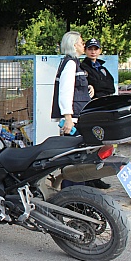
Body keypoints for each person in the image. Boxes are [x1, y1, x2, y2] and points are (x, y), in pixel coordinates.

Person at [51, 31, 96, 189]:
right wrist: (68, 118)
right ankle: (72, 192)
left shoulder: (73, 63)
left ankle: (74, 190)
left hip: (77, 116)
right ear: (74, 45)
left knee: (77, 158)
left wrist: (87, 88)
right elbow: (65, 91)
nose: (84, 45)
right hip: (74, 119)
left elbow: (76, 87)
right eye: (82, 43)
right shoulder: (70, 64)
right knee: (75, 159)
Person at [79, 38, 116, 189]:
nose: (93, 52)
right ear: (85, 50)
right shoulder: (82, 67)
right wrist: (97, 89)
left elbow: (110, 87)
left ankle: (96, 176)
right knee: (92, 144)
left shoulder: (102, 68)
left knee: (102, 144)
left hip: (103, 109)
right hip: (91, 110)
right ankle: (88, 178)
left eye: (96, 49)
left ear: (100, 50)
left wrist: (99, 90)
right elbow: (88, 87)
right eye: (90, 49)